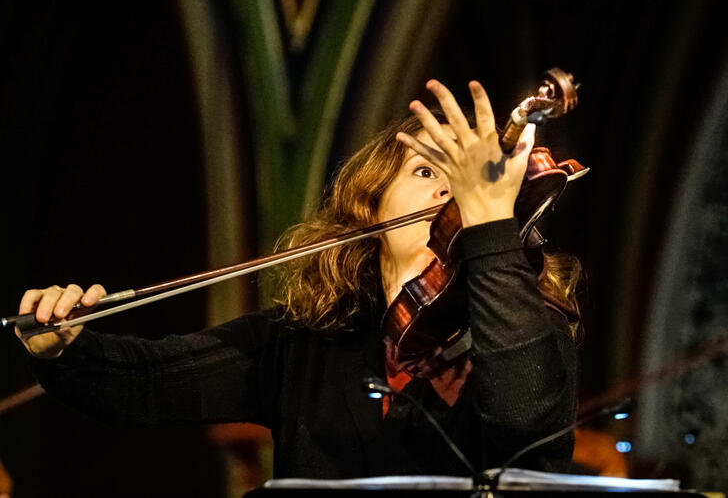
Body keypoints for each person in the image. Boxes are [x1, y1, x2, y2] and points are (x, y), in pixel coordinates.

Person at [16, 80, 579, 478]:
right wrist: (63, 347)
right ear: (373, 205)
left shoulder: (527, 327)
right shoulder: (305, 343)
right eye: (428, 169)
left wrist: (491, 231)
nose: (447, 191)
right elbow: (147, 383)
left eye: (463, 179)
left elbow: (523, 419)